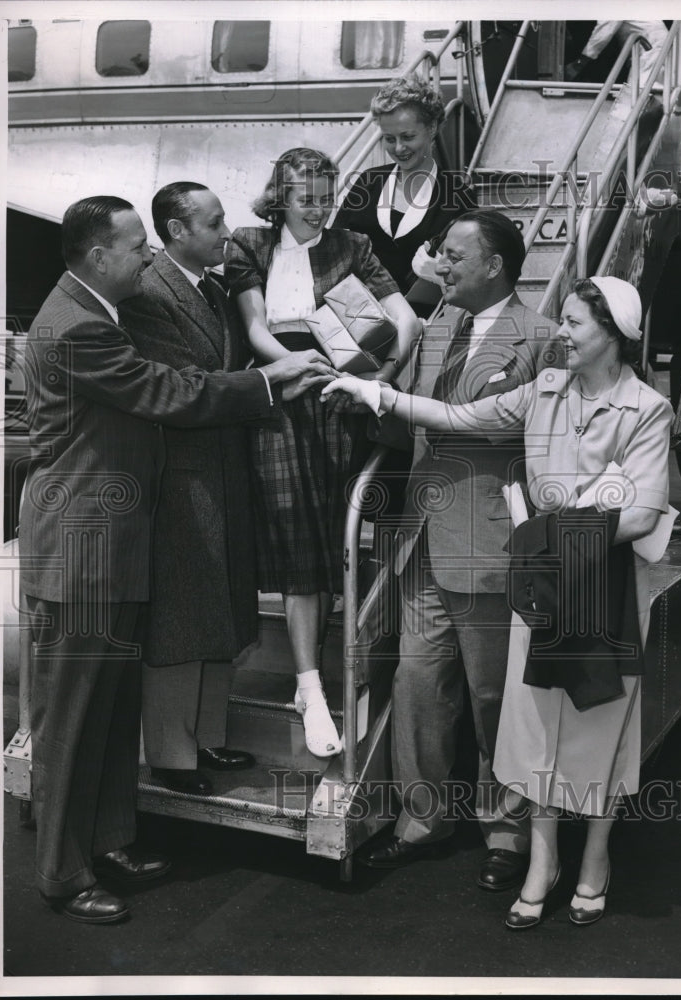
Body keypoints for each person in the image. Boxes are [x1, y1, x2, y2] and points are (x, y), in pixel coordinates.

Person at [323, 275, 672, 928]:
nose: (559, 333)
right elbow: (461, 418)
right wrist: (379, 394)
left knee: (598, 731)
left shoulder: (646, 409)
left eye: (573, 323)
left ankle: (594, 854)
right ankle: (543, 861)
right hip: (541, 581)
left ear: (612, 334)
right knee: (536, 729)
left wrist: (561, 514)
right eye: (561, 320)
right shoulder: (543, 390)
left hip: (602, 586)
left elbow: (643, 510)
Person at [20, 195, 333, 924]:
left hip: (116, 550)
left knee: (111, 710)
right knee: (69, 722)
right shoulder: (77, 329)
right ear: (100, 256)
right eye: (137, 247)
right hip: (82, 557)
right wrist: (268, 380)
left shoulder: (97, 313)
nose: (147, 257)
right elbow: (164, 390)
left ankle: (110, 840)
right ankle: (63, 873)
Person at [333, 209, 561, 892]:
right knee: (418, 685)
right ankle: (422, 820)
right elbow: (411, 426)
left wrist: (398, 405)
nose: (440, 264)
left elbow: (514, 438)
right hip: (422, 539)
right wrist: (367, 398)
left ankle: (506, 830)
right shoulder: (434, 331)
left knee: (494, 696)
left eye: (453, 255)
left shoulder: (541, 339)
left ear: (493, 264)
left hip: (490, 544)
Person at [224, 147, 420, 758]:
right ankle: (309, 683)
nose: (317, 209)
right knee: (297, 543)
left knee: (333, 541)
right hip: (281, 402)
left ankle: (319, 679)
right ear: (280, 194)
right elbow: (255, 327)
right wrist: (286, 367)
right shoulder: (249, 243)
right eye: (305, 197)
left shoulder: (352, 246)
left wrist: (380, 378)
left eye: (325, 196)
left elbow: (405, 317)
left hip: (339, 402)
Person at [119, 182, 258, 797]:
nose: (226, 232)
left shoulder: (214, 286)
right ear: (178, 231)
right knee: (182, 616)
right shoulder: (150, 294)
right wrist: (259, 385)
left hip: (220, 466)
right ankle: (174, 758)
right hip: (182, 475)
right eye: (215, 222)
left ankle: (207, 737)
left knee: (217, 605)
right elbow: (183, 385)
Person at [333, 74, 477, 312]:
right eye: (389, 139)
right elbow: (335, 252)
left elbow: (473, 276)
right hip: (361, 320)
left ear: (432, 128)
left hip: (426, 323)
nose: (398, 148)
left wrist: (438, 275)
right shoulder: (368, 183)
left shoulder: (458, 195)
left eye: (408, 137)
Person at [565, 21, 669, 92]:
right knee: (646, 94)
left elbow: (604, 31)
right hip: (653, 48)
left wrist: (578, 64)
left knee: (639, 97)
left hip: (651, 48)